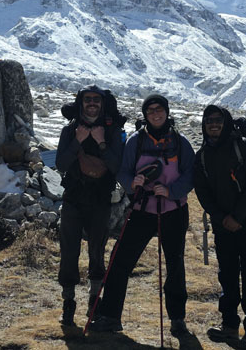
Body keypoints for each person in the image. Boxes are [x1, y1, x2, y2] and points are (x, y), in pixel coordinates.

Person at [90, 93, 195, 338]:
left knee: (175, 265)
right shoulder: (136, 141)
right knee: (120, 261)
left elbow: (191, 175)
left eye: (159, 109)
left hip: (173, 211)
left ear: (167, 112)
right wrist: (132, 183)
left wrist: (171, 191)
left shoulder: (181, 143)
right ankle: (110, 316)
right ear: (145, 115)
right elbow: (123, 172)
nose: (156, 114)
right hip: (142, 209)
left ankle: (177, 319)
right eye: (151, 111)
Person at [193, 105, 246, 349]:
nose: (213, 124)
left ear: (226, 122)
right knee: (227, 275)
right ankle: (230, 325)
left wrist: (237, 217)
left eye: (218, 120)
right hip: (223, 225)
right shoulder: (202, 154)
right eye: (209, 120)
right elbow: (202, 191)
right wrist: (222, 217)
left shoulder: (243, 146)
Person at [55, 85, 125, 326]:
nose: (92, 103)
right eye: (88, 100)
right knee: (69, 250)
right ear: (81, 102)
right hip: (73, 199)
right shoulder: (71, 130)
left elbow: (117, 167)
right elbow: (61, 164)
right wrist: (78, 141)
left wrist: (101, 143)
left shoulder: (113, 132)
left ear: (102, 104)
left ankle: (94, 301)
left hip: (100, 200)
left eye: (96, 100)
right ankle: (69, 302)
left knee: (97, 250)